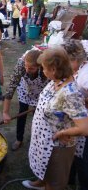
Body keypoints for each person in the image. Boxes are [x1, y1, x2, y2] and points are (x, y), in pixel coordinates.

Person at [28, 48, 88, 190]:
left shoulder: (69, 93)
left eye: (44, 68)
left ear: (54, 69)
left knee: (55, 183)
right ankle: (42, 182)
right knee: (47, 173)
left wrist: (62, 133)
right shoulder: (57, 80)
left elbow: (85, 128)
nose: (42, 71)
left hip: (57, 146)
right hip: (45, 140)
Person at [3, 49, 49, 151]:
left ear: (39, 66)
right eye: (26, 66)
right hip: (25, 91)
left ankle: (36, 140)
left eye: (31, 68)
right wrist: (5, 112)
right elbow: (11, 88)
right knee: (22, 114)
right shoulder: (21, 65)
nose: (27, 70)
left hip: (40, 92)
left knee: (39, 118)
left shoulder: (46, 68)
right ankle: (19, 139)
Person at [63, 40, 88, 190]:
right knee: (72, 153)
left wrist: (82, 101)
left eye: (67, 61)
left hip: (85, 124)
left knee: (83, 161)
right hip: (77, 120)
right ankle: (69, 180)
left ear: (76, 59)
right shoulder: (80, 68)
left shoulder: (86, 75)